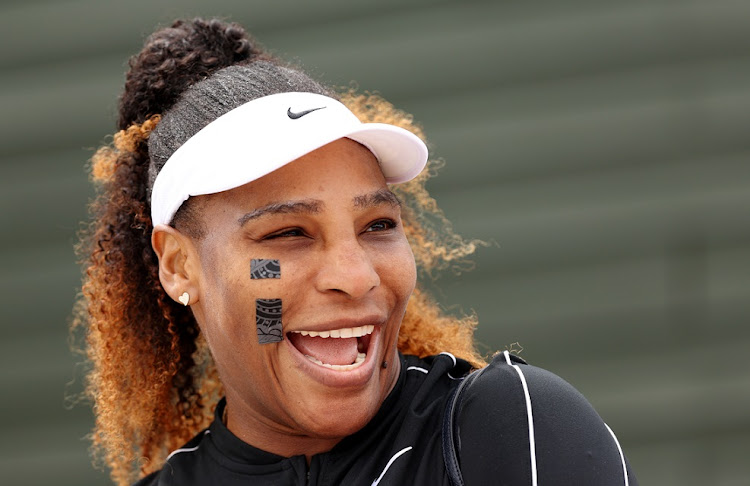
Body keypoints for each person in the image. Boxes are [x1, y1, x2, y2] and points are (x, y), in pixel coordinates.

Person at [73, 18, 637, 486]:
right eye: (287, 233)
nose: (355, 275)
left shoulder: (506, 429)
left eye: (377, 225)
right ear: (179, 265)